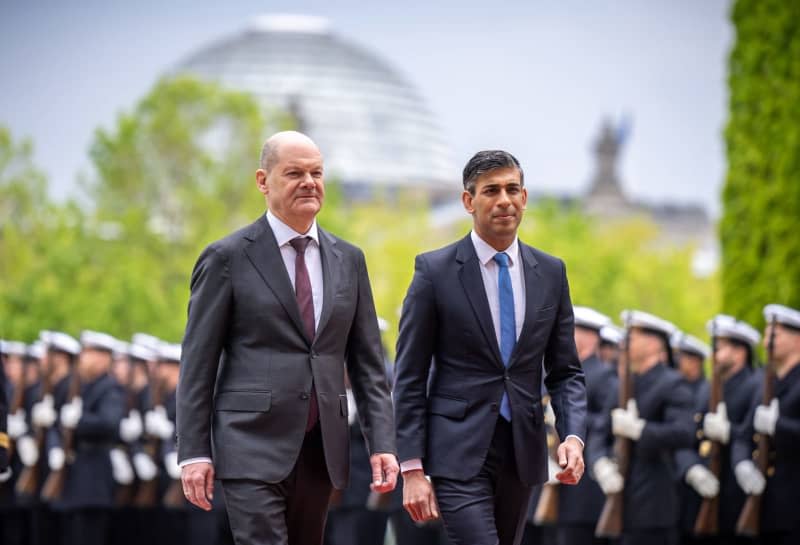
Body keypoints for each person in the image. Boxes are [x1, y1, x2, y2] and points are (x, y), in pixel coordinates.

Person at [177, 130, 398, 545]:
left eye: (317, 172)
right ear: (263, 181)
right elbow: (197, 363)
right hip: (249, 442)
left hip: (320, 448)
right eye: (294, 173)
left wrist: (382, 442)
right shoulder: (226, 258)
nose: (309, 182)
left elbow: (368, 365)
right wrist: (194, 451)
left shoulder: (348, 260)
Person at [393, 149, 587, 545]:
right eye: (491, 190)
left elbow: (566, 372)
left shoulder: (551, 272)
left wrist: (573, 437)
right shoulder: (434, 272)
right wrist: (411, 468)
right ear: (469, 200)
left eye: (513, 189)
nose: (504, 200)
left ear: (525, 197)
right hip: (455, 452)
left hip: (522, 450)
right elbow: (409, 376)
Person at [607, 310, 696, 545]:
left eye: (632, 337)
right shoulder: (629, 382)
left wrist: (640, 430)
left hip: (655, 502)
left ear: (654, 343)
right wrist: (602, 461)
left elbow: (684, 432)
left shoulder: (671, 382)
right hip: (624, 497)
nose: (625, 344)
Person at [731, 304, 800, 545]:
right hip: (762, 503)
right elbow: (743, 436)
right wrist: (741, 464)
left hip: (794, 505)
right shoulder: (765, 382)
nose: (766, 342)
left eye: (775, 335)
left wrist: (778, 425)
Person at [558, 306, 618, 545]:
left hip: (584, 486)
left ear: (589, 337)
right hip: (554, 474)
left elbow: (607, 421)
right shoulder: (560, 371)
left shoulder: (603, 375)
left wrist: (570, 421)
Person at [699, 314, 760, 545]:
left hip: (737, 487)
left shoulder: (754, 384)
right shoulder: (710, 386)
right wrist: (693, 468)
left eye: (720, 347)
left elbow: (753, 435)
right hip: (707, 485)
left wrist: (728, 432)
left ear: (739, 352)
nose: (714, 353)